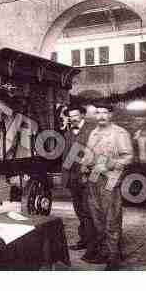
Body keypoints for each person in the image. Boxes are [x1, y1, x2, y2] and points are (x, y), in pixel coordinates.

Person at [81, 103, 133, 271]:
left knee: (112, 218)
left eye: (105, 112)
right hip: (93, 178)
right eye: (98, 113)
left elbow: (128, 157)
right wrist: (84, 166)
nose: (101, 116)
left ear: (111, 115)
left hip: (111, 179)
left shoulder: (119, 133)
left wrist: (109, 166)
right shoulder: (93, 133)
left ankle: (114, 257)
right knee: (97, 217)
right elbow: (88, 153)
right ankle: (104, 251)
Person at [62, 105, 96, 257]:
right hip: (73, 180)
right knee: (80, 212)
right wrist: (65, 179)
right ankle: (83, 240)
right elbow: (66, 157)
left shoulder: (92, 131)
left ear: (83, 115)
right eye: (70, 116)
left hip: (87, 178)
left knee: (89, 213)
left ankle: (92, 247)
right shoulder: (68, 133)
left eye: (75, 115)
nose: (73, 118)